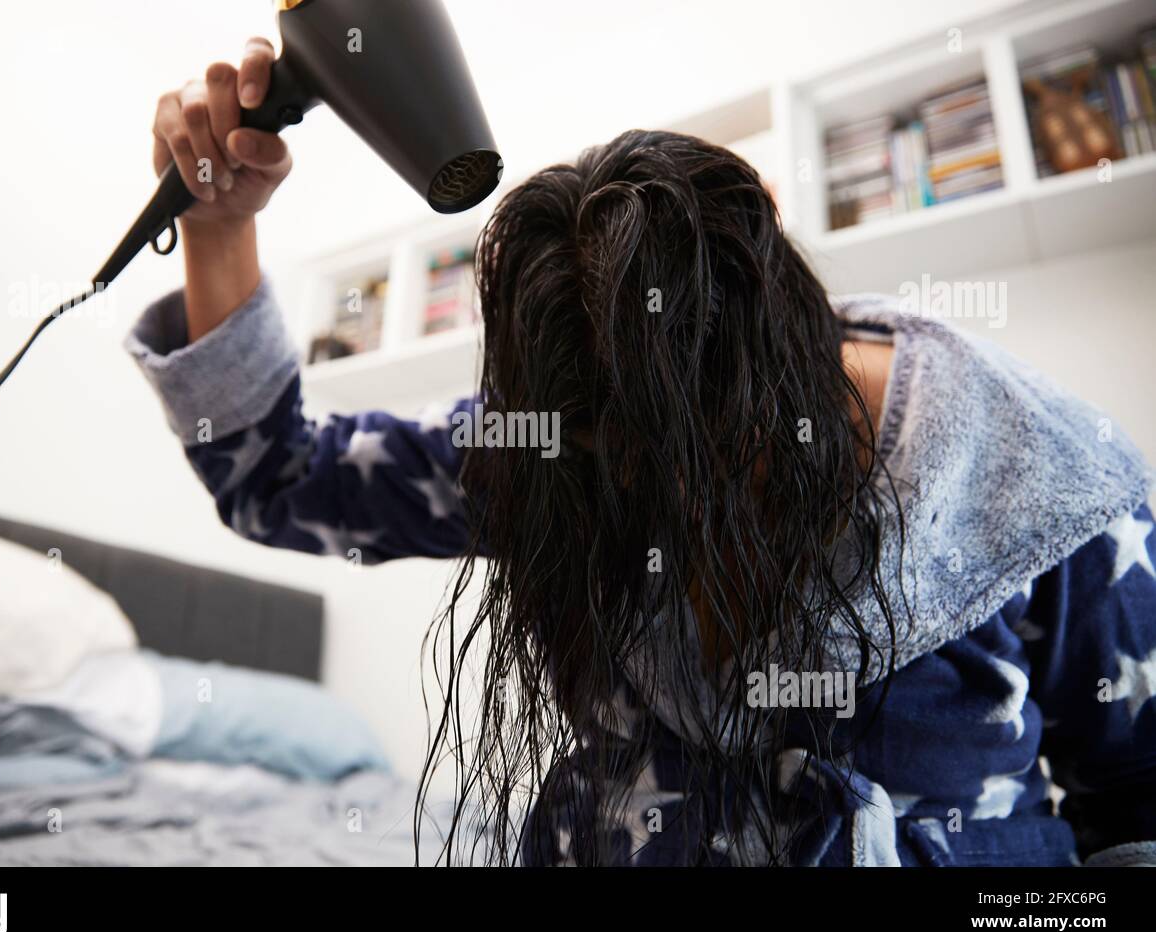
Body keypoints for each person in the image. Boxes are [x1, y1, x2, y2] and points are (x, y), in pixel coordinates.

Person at [124, 40, 1156, 866]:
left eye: (707, 465)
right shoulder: (552, 449)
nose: (658, 501)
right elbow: (277, 476)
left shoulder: (1052, 485)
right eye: (616, 467)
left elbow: (1135, 809)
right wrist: (219, 229)